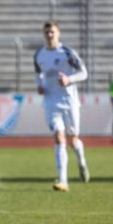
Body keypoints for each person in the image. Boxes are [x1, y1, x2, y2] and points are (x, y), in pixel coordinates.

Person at [34, 21, 90, 192]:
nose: (49, 35)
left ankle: (81, 162)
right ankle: (63, 180)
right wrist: (40, 85)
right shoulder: (39, 54)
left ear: (58, 33)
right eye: (47, 32)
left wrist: (69, 80)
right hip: (51, 102)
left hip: (70, 102)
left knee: (73, 140)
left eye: (52, 32)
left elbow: (84, 73)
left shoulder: (67, 53)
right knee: (59, 138)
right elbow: (38, 74)